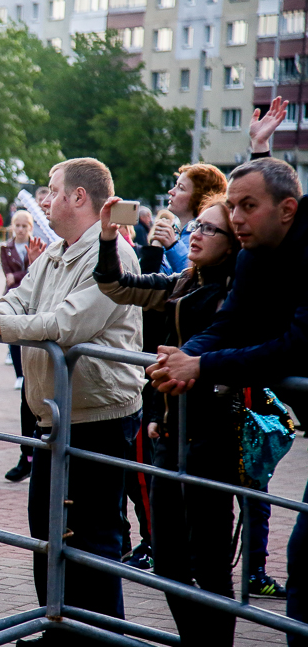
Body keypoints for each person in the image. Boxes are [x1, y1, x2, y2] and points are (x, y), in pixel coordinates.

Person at [0, 157, 145, 646]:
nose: (43, 199)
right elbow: (21, 298)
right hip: (57, 413)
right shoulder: (58, 252)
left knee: (91, 537)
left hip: (97, 416)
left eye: (51, 189)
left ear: (78, 196)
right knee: (48, 528)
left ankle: (99, 638)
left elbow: (67, 323)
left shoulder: (114, 256)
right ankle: (59, 627)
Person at [139, 156, 308, 643]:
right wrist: (181, 361)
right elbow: (230, 325)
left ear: (288, 209)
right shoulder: (255, 255)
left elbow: (295, 347)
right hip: (183, 429)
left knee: (300, 563)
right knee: (173, 559)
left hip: (217, 434)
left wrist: (200, 366)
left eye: (247, 206)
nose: (236, 218)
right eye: (231, 206)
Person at [94, 194, 241, 646]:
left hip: (211, 438)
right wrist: (108, 237)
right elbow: (116, 285)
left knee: (210, 565)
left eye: (210, 229)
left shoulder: (237, 291)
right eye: (196, 226)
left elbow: (218, 345)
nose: (196, 234)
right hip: (169, 435)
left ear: (234, 241)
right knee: (169, 561)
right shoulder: (183, 281)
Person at [0, 209, 46, 484]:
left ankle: (38, 456)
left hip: (48, 333)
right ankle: (27, 455)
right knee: (28, 398)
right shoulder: (8, 248)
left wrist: (32, 268)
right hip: (26, 320)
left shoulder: (52, 245)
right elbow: (13, 284)